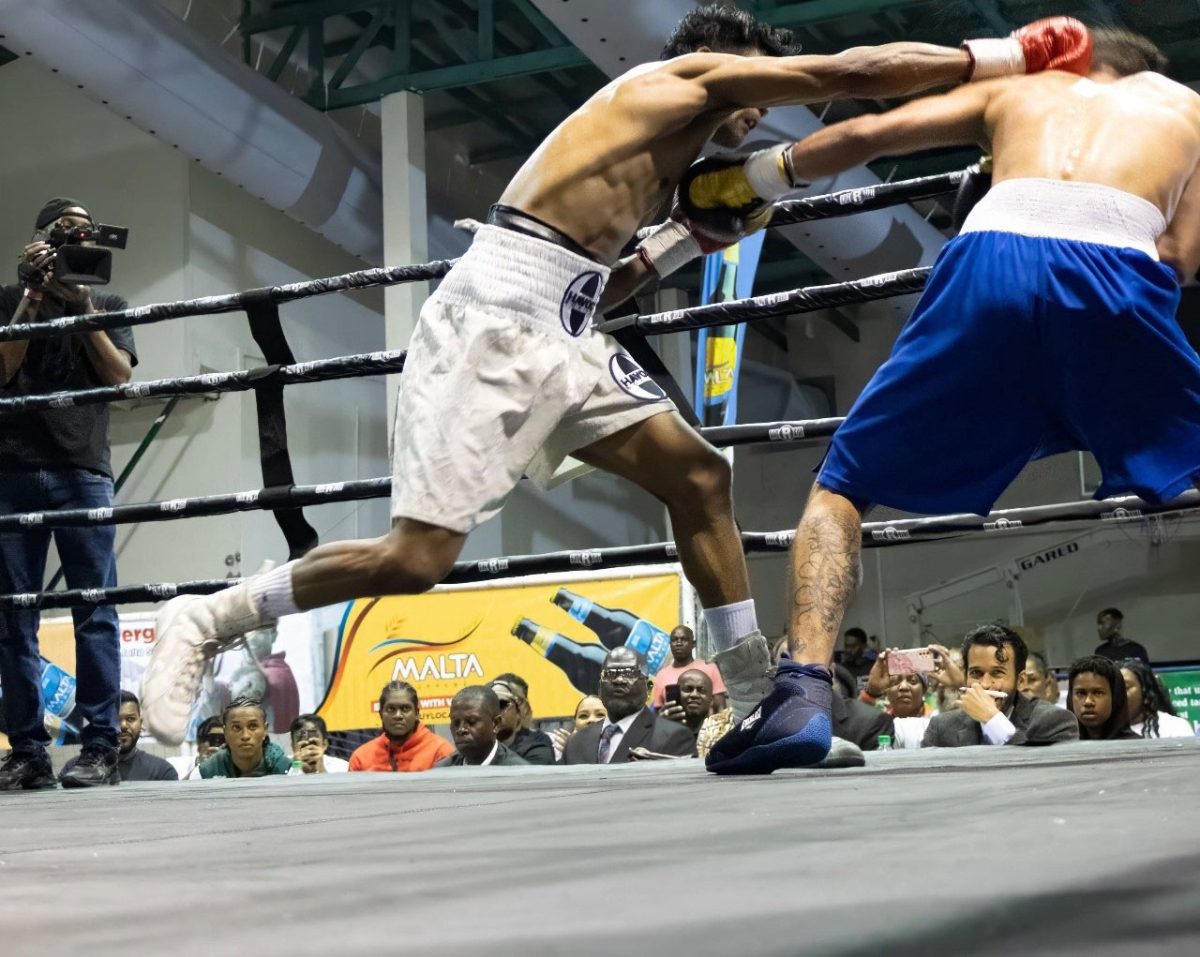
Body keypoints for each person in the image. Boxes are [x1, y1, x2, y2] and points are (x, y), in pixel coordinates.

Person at [141, 6, 1090, 746]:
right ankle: (209, 616)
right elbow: (844, 74)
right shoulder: (679, 80)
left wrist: (687, 234)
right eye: (752, 102)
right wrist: (1001, 56)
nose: (755, 120)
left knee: (700, 474)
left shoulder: (661, 160)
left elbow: (610, 284)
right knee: (416, 560)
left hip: (565, 330)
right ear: (726, 68)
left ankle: (760, 698)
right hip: (493, 323)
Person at [697, 26, 1200, 773]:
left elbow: (871, 128)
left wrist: (749, 183)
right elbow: (1182, 260)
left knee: (842, 486)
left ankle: (800, 694)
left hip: (992, 256)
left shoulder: (1022, 86)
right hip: (1120, 275)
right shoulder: (1188, 109)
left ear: (1080, 63)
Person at [0, 198, 137, 790]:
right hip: (11, 473)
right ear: (41, 246)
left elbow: (119, 375)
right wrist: (31, 297)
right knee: (12, 620)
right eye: (65, 238)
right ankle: (28, 752)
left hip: (82, 469)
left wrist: (81, 305)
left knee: (95, 613)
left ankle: (100, 745)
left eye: (85, 237)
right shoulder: (10, 301)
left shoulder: (107, 303)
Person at [922, 627, 1079, 748]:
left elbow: (1049, 779)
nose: (984, 684)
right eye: (976, 673)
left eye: (997, 673)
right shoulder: (941, 727)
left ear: (1020, 680)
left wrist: (994, 722)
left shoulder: (1055, 721)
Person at [561, 647, 695, 764]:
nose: (619, 680)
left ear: (648, 688)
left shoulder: (674, 737)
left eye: (629, 673)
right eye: (611, 674)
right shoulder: (576, 743)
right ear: (600, 688)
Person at [348, 681, 453, 772]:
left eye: (405, 708)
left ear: (417, 713)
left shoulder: (441, 751)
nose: (398, 715)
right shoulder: (361, 758)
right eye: (391, 709)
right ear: (380, 714)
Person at [437, 686, 530, 768]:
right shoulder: (442, 771)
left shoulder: (517, 771)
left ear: (496, 724)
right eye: (456, 723)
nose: (461, 730)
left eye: (471, 722)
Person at [198, 697, 291, 778]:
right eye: (236, 727)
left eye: (253, 726)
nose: (245, 736)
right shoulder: (208, 770)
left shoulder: (286, 769)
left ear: (265, 730)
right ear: (225, 732)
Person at [651, 626, 727, 711]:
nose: (678, 643)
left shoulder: (709, 668)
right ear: (670, 644)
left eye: (684, 639)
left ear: (693, 644)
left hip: (706, 723)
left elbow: (720, 707)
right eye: (674, 640)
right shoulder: (661, 675)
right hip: (672, 723)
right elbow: (658, 711)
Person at [1068, 655, 1140, 740]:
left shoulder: (1139, 747)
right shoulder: (1060, 746)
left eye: (1098, 693)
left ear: (1115, 697)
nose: (1088, 702)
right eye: (1081, 693)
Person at [1120, 660, 1193, 739]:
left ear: (1145, 690)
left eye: (1126, 687)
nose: (1118, 694)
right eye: (1114, 688)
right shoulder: (1106, 729)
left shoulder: (1175, 727)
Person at [116, 691, 178, 782]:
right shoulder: (89, 771)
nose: (123, 726)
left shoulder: (162, 772)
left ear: (141, 723)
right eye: (115, 719)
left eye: (130, 719)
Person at [489, 678, 554, 765]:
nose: (496, 712)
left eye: (502, 705)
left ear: (518, 713)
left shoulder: (536, 751)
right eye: (490, 706)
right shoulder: (468, 753)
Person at [658, 668, 716, 746]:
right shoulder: (662, 730)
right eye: (688, 689)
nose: (694, 695)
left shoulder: (723, 735)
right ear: (677, 694)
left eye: (701, 690)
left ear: (711, 700)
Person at [550, 694, 607, 761]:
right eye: (583, 716)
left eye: (600, 715)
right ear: (575, 724)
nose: (591, 720)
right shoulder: (561, 753)